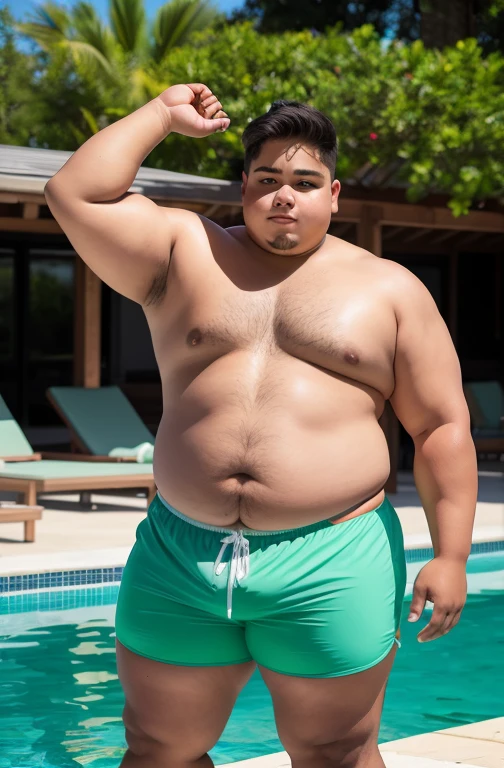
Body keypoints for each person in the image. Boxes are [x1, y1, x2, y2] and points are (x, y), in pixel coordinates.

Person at [45, 83, 477, 768]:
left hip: (331, 557)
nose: (285, 195)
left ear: (333, 195)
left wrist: (452, 555)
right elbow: (76, 194)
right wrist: (160, 115)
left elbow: (440, 427)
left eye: (305, 182)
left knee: (335, 751)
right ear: (244, 185)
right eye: (269, 178)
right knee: (157, 749)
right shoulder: (184, 252)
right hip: (180, 555)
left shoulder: (389, 290)